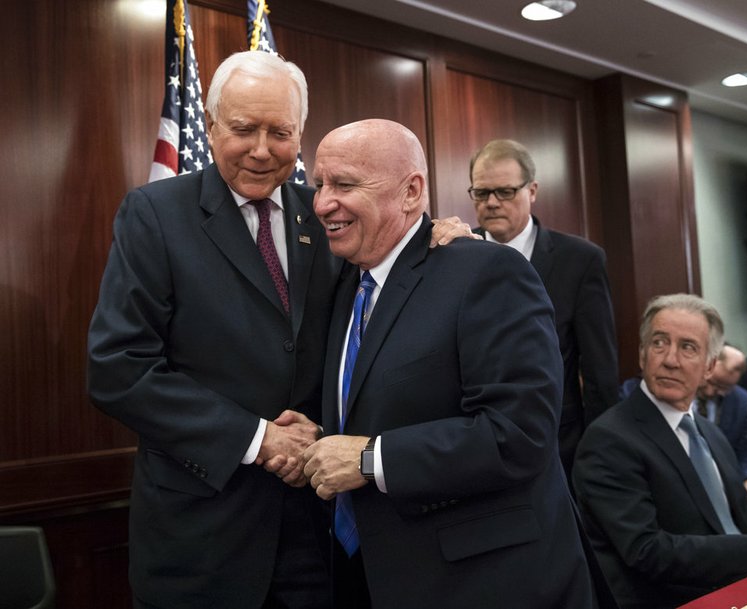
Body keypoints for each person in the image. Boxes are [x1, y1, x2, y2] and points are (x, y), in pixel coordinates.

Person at [87, 51, 469, 609]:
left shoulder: (325, 212)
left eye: (280, 132)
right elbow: (117, 369)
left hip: (321, 532)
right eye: (243, 129)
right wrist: (260, 439)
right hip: (203, 536)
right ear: (212, 127)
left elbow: (374, 312)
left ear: (301, 136)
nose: (262, 150)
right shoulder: (155, 215)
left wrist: (437, 240)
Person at [303, 119, 605, 609]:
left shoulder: (488, 271)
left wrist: (367, 458)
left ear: (411, 192)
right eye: (319, 185)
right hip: (372, 575)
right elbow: (385, 408)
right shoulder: (347, 285)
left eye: (344, 185)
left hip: (485, 583)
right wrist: (320, 439)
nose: (321, 203)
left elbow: (519, 435)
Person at [572, 294, 747, 609]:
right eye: (659, 343)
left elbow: (740, 517)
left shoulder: (710, 433)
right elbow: (647, 551)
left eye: (688, 347)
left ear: (709, 367)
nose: (670, 359)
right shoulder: (609, 439)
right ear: (641, 355)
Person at [469, 139, 618, 477]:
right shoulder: (455, 254)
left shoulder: (580, 260)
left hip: (560, 444)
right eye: (481, 193)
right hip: (474, 445)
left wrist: (600, 453)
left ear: (532, 190)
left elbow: (600, 371)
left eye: (505, 192)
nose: (492, 203)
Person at [695, 344, 747, 506]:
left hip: (723, 488)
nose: (710, 392)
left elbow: (744, 451)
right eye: (711, 382)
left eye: (723, 387)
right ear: (706, 367)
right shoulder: (678, 393)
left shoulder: (741, 401)